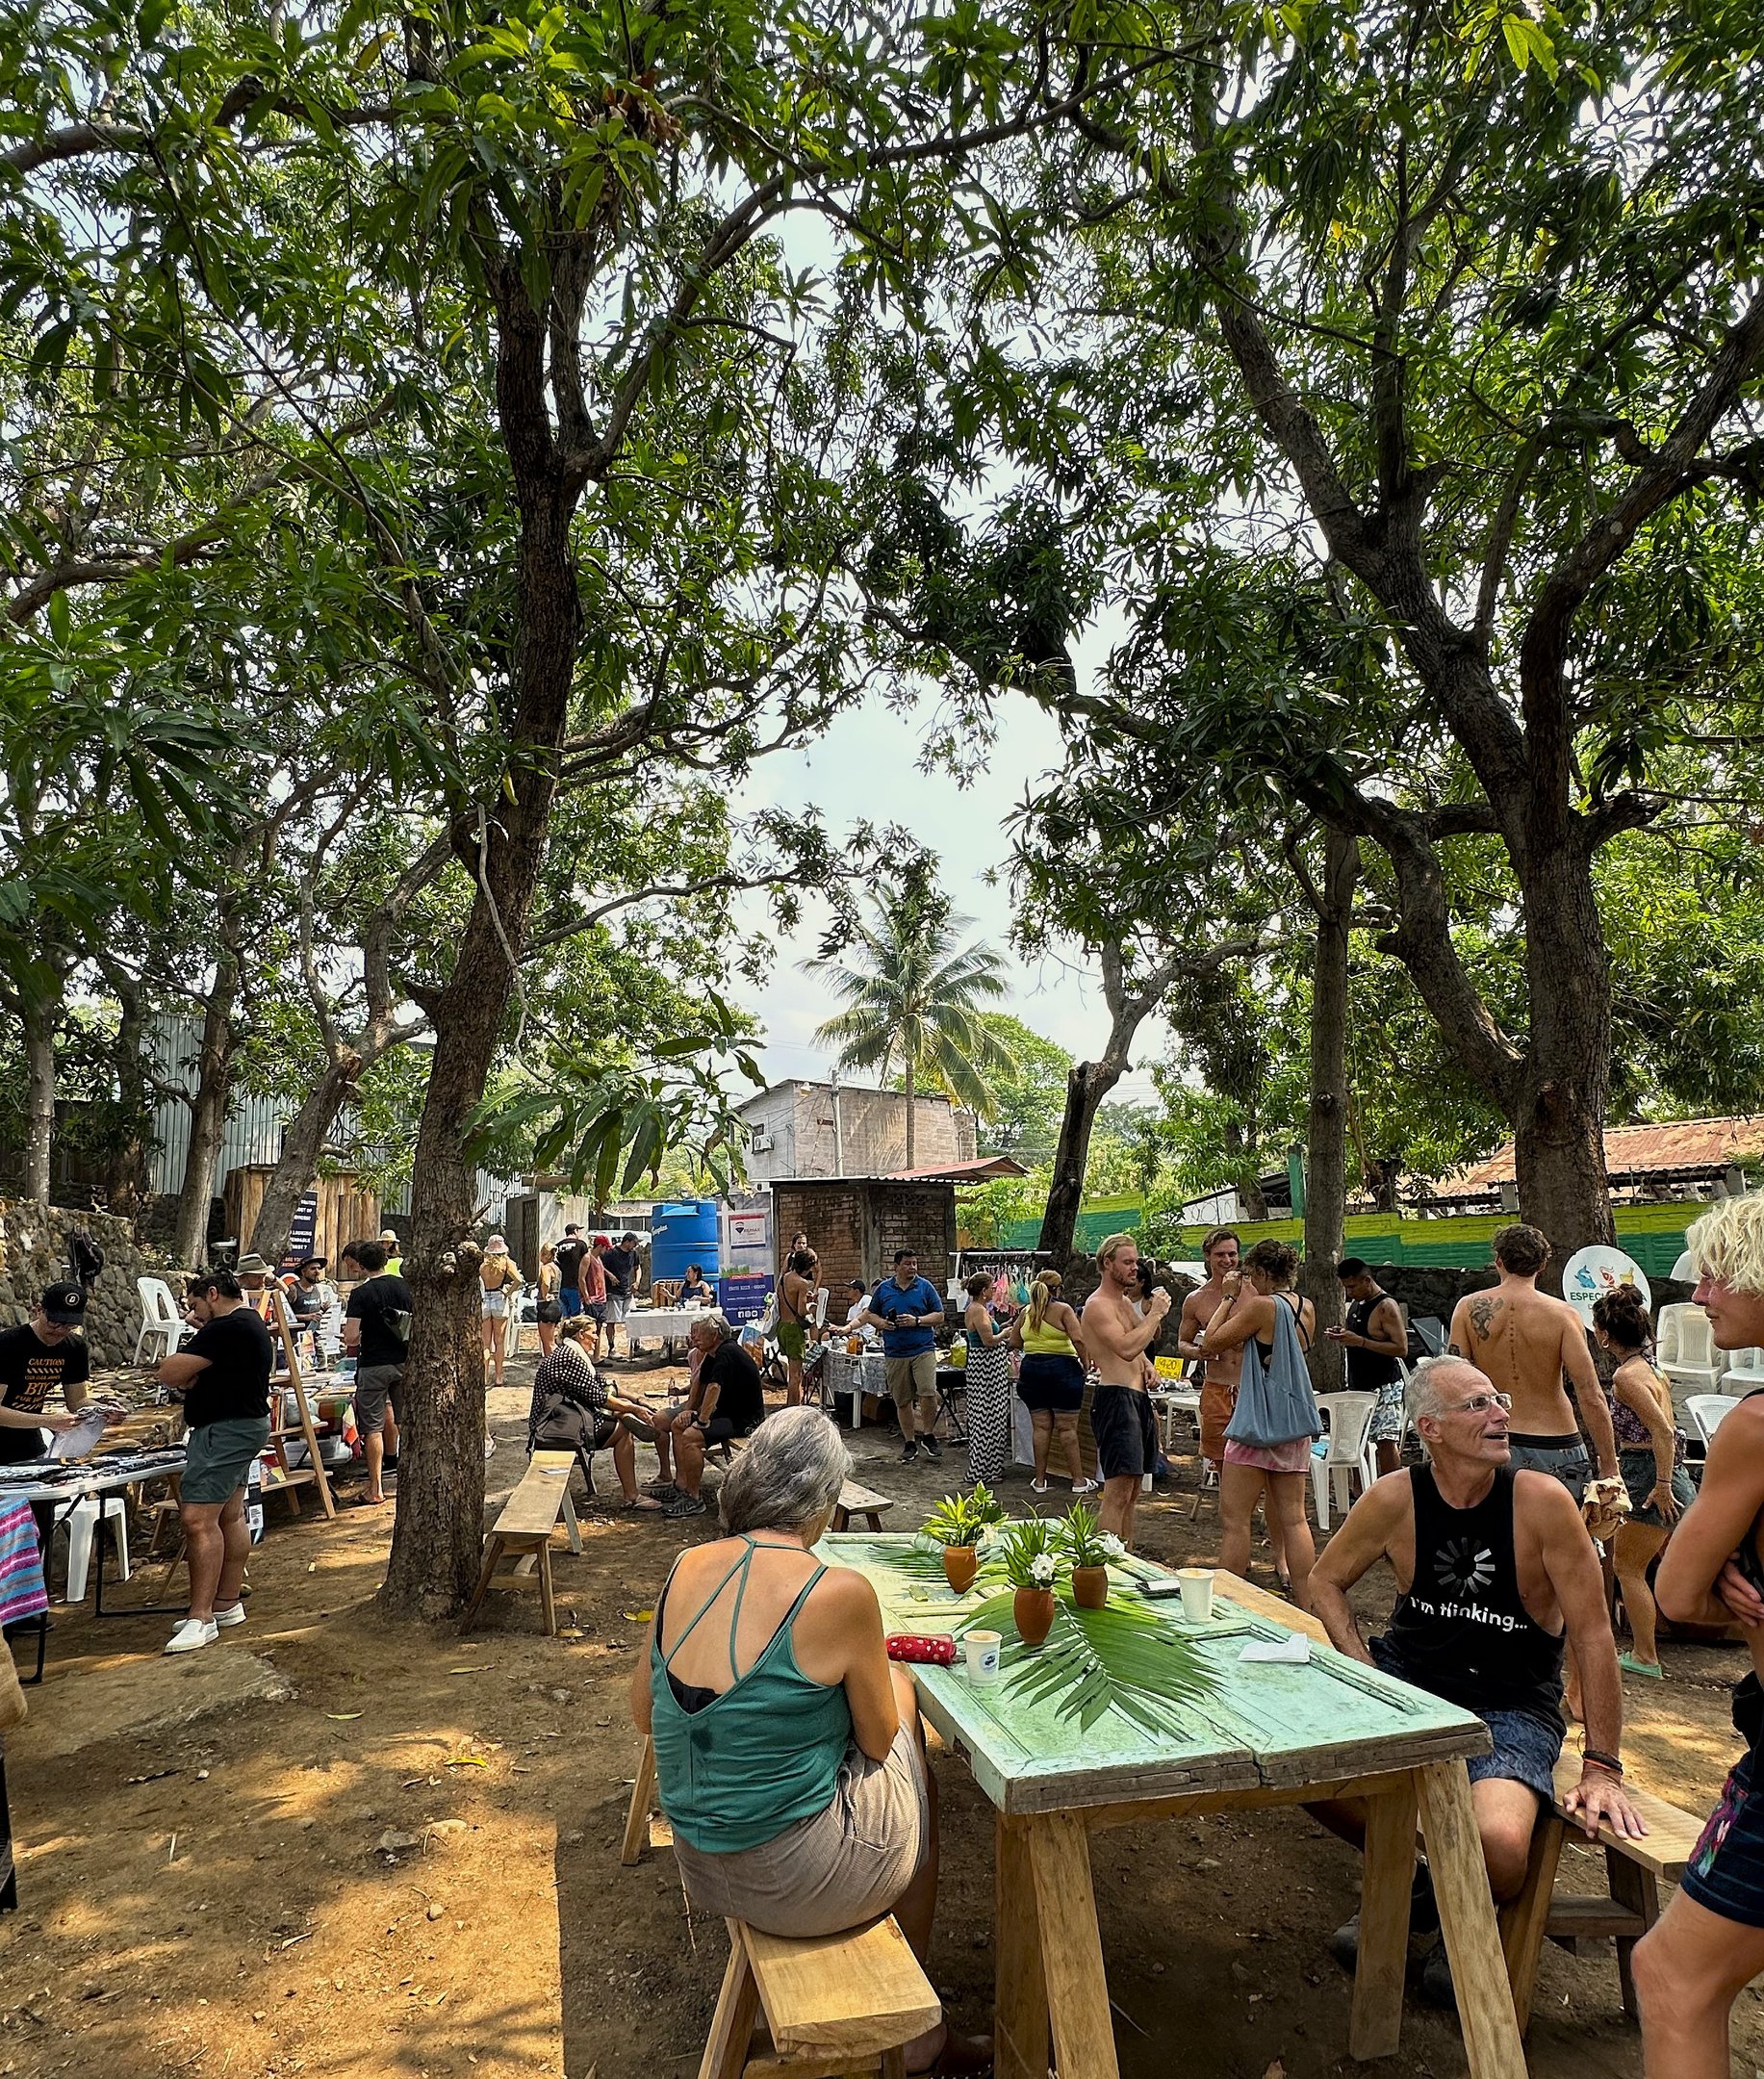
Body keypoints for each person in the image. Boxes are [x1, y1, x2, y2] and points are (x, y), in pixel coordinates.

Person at [630, 1408, 986, 2076]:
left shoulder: (684, 1565)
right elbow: (878, 1741)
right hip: (800, 1884)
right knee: (910, 1743)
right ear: (824, 1501)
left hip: (701, 1865)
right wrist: (896, 1680)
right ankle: (918, 2039)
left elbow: (644, 1712)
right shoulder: (838, 1591)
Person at [1310, 1354, 1643, 2005]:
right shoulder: (1395, 1497)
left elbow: (1595, 1633)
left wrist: (1602, 1766)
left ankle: (1439, 1900)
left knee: (1499, 1848)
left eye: (1499, 1402)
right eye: (1477, 1406)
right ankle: (1414, 1880)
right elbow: (1323, 1579)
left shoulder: (1541, 1503)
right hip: (1409, 1685)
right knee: (1306, 1772)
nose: (1499, 1416)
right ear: (1429, 1428)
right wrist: (1363, 1669)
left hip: (1510, 1705)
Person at [1637, 1197, 1764, 2072]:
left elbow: (1676, 1593)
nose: (1700, 1290)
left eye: (1720, 1272)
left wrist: (1720, 1576)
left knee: (1671, 1975)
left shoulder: (1753, 1428)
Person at [1447, 1223, 1619, 1494]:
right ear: (1542, 1266)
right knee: (1560, 1533)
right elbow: (1590, 1394)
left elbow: (1453, 1383)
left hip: (1491, 1437)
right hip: (1556, 1440)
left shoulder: (1467, 1309)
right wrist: (1609, 1465)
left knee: (1497, 1534)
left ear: (1498, 1261)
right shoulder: (1563, 1315)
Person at [155, 1270, 275, 1654]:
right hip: (245, 1425)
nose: (195, 1314)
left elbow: (169, 1373)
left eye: (194, 1306)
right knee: (230, 1514)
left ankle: (201, 1616)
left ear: (212, 1293)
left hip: (223, 1430)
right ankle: (225, 1603)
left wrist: (194, 1342)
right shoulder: (250, 1320)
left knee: (197, 1519)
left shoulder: (224, 1327)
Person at [1203, 1239, 1320, 1606]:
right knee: (1295, 1520)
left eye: (1252, 1275)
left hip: (1257, 1424)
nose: (1249, 1281)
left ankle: (1225, 1602)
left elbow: (1211, 1342)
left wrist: (1227, 1297)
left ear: (1266, 1274)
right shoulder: (1307, 1307)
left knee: (1235, 1520)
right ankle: (1308, 1605)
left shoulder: (1262, 1306)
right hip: (1292, 1425)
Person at [1592, 1285, 1694, 1680]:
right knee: (1638, 1564)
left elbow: (1664, 1432)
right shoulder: (1650, 1365)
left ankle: (1645, 1655)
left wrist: (1662, 1483)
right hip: (1653, 1470)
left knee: (1627, 1568)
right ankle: (1649, 1637)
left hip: (1649, 1474)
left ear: (1604, 1334)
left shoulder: (1626, 1376)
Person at [0, 1283, 122, 1565]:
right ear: (38, 1310)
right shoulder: (9, 1345)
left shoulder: (73, 1347)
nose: (59, 1331)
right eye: (54, 1322)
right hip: (7, 1440)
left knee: (37, 1524)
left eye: (68, 1325)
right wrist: (48, 1421)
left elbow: (78, 1401)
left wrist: (104, 1410)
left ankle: (28, 1597)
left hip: (29, 1444)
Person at [1082, 1235, 1171, 1548]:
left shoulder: (1121, 1302)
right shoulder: (1097, 1306)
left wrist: (1149, 1365)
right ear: (1108, 1263)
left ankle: (1127, 1557)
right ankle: (1105, 1563)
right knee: (1117, 1491)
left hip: (1137, 1399)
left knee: (1133, 1490)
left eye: (1136, 1261)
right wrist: (1155, 1313)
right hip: (1116, 1400)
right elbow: (1126, 1347)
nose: (1135, 1268)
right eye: (1128, 1262)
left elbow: (1141, 1341)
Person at [526, 1319, 660, 1510]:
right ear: (581, 1334)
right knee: (622, 1432)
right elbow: (599, 1397)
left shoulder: (571, 1352)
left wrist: (636, 1399)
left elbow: (603, 1383)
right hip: (554, 1427)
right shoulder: (570, 1357)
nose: (597, 1338)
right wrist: (633, 1408)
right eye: (594, 1333)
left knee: (618, 1411)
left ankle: (621, 1416)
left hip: (562, 1418)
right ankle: (632, 1496)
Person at [649, 1313, 768, 1517]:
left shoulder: (727, 1352)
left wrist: (702, 1421)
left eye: (699, 1333)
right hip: (724, 1414)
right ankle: (682, 1484)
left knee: (691, 1437)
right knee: (679, 1425)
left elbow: (714, 1388)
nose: (694, 1337)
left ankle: (694, 1498)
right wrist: (688, 1412)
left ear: (715, 1336)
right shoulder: (712, 1354)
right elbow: (701, 1384)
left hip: (744, 1419)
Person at [1009, 1270, 1094, 1497]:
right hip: (1062, 1371)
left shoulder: (1026, 1313)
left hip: (1032, 1371)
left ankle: (1039, 1480)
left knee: (1041, 1427)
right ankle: (1078, 1480)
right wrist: (1086, 1364)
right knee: (1067, 1427)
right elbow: (1078, 1339)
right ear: (1058, 1289)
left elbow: (1014, 1341)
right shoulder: (1063, 1310)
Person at [341, 1238, 411, 1506]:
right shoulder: (404, 1287)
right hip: (404, 1360)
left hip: (373, 1364)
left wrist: (350, 1336)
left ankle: (375, 1487)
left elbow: (351, 1337)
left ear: (361, 1265)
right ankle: (410, 1479)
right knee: (406, 1422)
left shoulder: (360, 1294)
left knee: (372, 1428)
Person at [862, 1250, 945, 1465]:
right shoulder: (884, 1289)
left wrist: (917, 1321)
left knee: (927, 1392)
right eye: (908, 1264)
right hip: (895, 1352)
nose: (912, 1267)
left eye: (915, 1263)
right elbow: (870, 1314)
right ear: (896, 1267)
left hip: (923, 1348)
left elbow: (939, 1315)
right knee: (902, 1399)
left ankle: (928, 1434)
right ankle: (909, 1442)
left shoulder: (925, 1287)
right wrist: (881, 1324)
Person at [1328, 1259, 1410, 1476]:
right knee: (1357, 1438)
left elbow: (1401, 1349)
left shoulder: (1386, 1306)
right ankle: (1361, 1488)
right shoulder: (1357, 1303)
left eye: (1353, 1286)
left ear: (1367, 1280)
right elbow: (1358, 1335)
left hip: (1384, 1384)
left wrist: (1361, 1342)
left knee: (1385, 1439)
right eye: (1346, 1287)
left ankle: (1392, 1484)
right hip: (1358, 1382)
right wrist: (1342, 1335)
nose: (1349, 1291)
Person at [1176, 1229, 1243, 1472]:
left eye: (1232, 1254)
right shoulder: (1196, 1299)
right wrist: (1197, 1352)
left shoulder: (1254, 1290)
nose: (1227, 1260)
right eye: (1220, 1255)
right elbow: (1183, 1342)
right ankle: (1229, 1507)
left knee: (1254, 1456)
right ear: (1207, 1256)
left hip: (1251, 1387)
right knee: (1221, 1458)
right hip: (1216, 1386)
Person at [960, 1271, 1013, 1486]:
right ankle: (985, 1468)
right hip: (987, 1370)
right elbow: (989, 1340)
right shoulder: (978, 1311)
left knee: (987, 1416)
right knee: (989, 1417)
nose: (995, 1291)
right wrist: (1006, 1333)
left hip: (984, 1369)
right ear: (984, 1291)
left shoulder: (978, 1309)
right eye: (992, 1288)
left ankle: (989, 1467)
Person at [479, 1235, 523, 1389]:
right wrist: (508, 1292)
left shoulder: (482, 1264)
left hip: (485, 1299)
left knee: (485, 1343)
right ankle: (498, 1376)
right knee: (499, 1341)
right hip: (499, 1297)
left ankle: (484, 1377)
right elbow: (518, 1280)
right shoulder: (506, 1262)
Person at [779, 1249, 817, 1408]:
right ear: (807, 1267)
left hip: (782, 1326)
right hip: (794, 1329)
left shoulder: (783, 1279)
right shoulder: (802, 1283)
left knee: (791, 1373)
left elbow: (785, 1300)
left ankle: (790, 1404)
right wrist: (811, 1305)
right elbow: (801, 1311)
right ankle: (794, 1408)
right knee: (796, 1375)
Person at [601, 1233, 641, 1359]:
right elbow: (599, 1266)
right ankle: (612, 1348)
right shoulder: (611, 1253)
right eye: (634, 1243)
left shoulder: (634, 1254)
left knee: (634, 1318)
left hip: (627, 1291)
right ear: (627, 1242)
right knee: (611, 1321)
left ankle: (637, 1345)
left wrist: (637, 1281)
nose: (635, 1246)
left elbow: (637, 1268)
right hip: (613, 1292)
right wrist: (610, 1275)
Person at [281, 1257, 332, 1335]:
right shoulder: (293, 1289)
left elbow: (317, 1313)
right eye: (313, 1269)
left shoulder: (319, 1288)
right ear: (303, 1271)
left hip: (316, 1336)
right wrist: (306, 1317)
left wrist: (324, 1309)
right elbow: (283, 1316)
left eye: (319, 1268)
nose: (317, 1272)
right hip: (297, 1338)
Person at [554, 1224, 589, 1322]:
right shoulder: (581, 1245)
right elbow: (586, 1263)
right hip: (576, 1286)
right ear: (575, 1231)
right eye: (579, 1230)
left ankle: (564, 1334)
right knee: (576, 1317)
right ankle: (574, 1336)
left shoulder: (557, 1246)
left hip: (561, 1286)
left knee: (565, 1316)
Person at [534, 1243, 563, 1358]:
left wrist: (545, 1294)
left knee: (547, 1343)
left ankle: (553, 1365)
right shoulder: (556, 1267)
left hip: (546, 1305)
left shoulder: (545, 1267)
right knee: (551, 1339)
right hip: (556, 1304)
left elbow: (546, 1282)